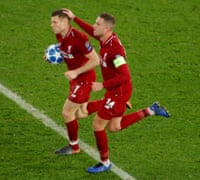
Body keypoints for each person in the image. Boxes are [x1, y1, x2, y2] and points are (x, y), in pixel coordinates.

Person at [63, 9, 170, 173]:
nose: (94, 26)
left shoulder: (115, 51)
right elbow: (91, 31)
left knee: (98, 124)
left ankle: (105, 163)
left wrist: (102, 85)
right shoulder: (104, 40)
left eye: (97, 24)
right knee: (114, 127)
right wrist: (74, 18)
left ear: (106, 29)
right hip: (116, 91)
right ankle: (150, 110)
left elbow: (126, 76)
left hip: (118, 91)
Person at [46, 9, 100, 155]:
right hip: (75, 78)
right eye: (51, 22)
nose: (52, 25)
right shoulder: (59, 35)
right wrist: (53, 57)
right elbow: (67, 50)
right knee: (81, 113)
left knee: (67, 113)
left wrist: (76, 72)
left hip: (84, 78)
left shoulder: (79, 37)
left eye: (55, 22)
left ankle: (74, 147)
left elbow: (96, 60)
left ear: (65, 22)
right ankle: (110, 101)